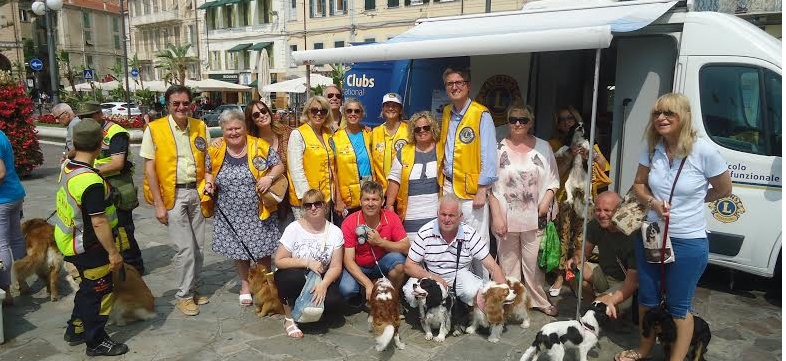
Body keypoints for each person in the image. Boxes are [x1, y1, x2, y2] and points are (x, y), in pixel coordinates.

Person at [616, 93, 732, 361]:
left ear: (684, 117)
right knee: (647, 299)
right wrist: (653, 203)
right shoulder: (652, 147)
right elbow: (639, 184)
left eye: (669, 113)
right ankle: (644, 350)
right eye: (657, 113)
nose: (661, 118)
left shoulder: (703, 150)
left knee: (679, 307)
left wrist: (695, 200)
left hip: (688, 241)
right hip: (653, 236)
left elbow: (724, 188)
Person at [56, 119, 128, 356]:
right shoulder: (91, 181)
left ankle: (76, 328)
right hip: (90, 246)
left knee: (87, 289)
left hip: (70, 240)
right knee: (99, 292)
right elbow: (98, 221)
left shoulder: (68, 166)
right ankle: (96, 340)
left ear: (75, 143)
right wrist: (113, 252)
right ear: (100, 146)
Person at [141, 85, 211, 316]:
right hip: (173, 194)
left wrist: (209, 183)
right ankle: (184, 296)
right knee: (184, 249)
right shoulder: (154, 129)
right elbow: (150, 169)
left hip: (197, 192)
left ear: (191, 104)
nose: (181, 107)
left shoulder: (199, 126)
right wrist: (159, 204)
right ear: (168, 105)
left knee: (199, 247)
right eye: (176, 103)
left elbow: (209, 159)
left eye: (185, 103)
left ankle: (192, 287)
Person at [203, 109, 285, 306]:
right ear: (222, 130)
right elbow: (207, 171)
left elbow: (279, 165)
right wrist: (208, 183)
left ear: (244, 127)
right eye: (228, 129)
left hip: (258, 209)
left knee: (263, 251)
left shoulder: (259, 145)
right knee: (239, 252)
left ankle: (265, 284)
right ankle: (245, 286)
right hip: (230, 209)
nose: (233, 132)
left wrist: (269, 177)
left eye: (237, 128)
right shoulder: (215, 149)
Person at [488, 105, 559, 316]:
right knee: (508, 263)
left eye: (523, 119)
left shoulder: (544, 147)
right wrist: (497, 216)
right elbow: (490, 186)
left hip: (534, 216)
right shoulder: (497, 148)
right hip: (506, 217)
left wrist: (546, 202)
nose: (517, 123)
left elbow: (553, 180)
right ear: (507, 121)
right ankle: (510, 300)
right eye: (513, 119)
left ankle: (538, 299)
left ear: (530, 122)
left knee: (533, 264)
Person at [438, 67, 498, 280]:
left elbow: (490, 155)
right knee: (451, 239)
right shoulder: (446, 112)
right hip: (449, 186)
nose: (454, 87)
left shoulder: (481, 114)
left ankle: (484, 291)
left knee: (478, 242)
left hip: (472, 191)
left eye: (459, 82)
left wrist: (483, 188)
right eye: (450, 84)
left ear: (468, 85)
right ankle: (459, 288)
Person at [548, 105, 611, 296]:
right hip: (564, 198)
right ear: (558, 124)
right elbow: (553, 175)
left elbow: (605, 169)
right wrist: (569, 156)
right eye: (562, 119)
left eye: (570, 119)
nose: (566, 122)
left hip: (585, 199)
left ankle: (575, 277)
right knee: (563, 238)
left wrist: (592, 156)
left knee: (582, 240)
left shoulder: (589, 143)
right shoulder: (554, 145)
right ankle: (560, 276)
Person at [76, 101, 144, 275]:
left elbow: (117, 163)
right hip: (98, 187)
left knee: (123, 231)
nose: (85, 121)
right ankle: (118, 266)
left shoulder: (115, 133)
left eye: (88, 117)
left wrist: (87, 170)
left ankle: (134, 268)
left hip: (118, 189)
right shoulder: (87, 132)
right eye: (82, 118)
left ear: (99, 114)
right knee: (108, 230)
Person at [404, 194, 507, 307]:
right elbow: (409, 266)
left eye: (451, 215)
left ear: (460, 216)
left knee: (474, 291)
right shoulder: (425, 232)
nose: (447, 219)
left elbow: (493, 267)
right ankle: (426, 312)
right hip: (431, 275)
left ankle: (466, 310)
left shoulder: (470, 233)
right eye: (443, 214)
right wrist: (432, 277)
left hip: (460, 275)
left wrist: (505, 294)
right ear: (437, 214)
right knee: (410, 292)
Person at [273, 189, 344, 338]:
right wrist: (307, 262)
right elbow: (279, 260)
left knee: (334, 301)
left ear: (325, 206)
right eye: (308, 205)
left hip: (320, 276)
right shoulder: (293, 228)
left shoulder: (335, 232)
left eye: (317, 204)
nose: (313, 208)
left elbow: (336, 266)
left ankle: (311, 313)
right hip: (296, 272)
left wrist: (324, 285)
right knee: (290, 279)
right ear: (303, 208)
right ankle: (289, 318)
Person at [565, 191, 637, 319]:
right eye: (598, 210)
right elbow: (584, 253)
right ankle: (596, 310)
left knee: (606, 302)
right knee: (577, 271)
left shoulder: (632, 234)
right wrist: (575, 259)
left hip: (625, 282)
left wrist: (606, 298)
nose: (602, 214)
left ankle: (602, 310)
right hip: (604, 274)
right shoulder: (595, 225)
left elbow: (632, 282)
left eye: (607, 210)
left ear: (619, 210)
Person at [339, 181, 409, 303]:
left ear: (382, 202)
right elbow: (348, 260)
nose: (370, 204)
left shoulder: (391, 217)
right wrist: (367, 284)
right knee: (347, 289)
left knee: (399, 264)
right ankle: (368, 287)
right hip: (359, 265)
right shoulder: (349, 222)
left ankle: (393, 298)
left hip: (381, 263)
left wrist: (381, 242)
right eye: (366, 199)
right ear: (360, 202)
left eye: (375, 199)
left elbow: (406, 247)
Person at [385, 111, 443, 240]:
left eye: (426, 127)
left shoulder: (442, 149)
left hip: (438, 216)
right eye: (417, 129)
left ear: (433, 128)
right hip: (410, 217)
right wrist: (389, 206)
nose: (422, 131)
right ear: (413, 132)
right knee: (413, 254)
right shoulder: (404, 152)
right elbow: (394, 179)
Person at [287, 96, 335, 220]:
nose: (318, 114)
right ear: (308, 112)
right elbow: (295, 170)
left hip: (326, 197)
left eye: (323, 111)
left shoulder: (328, 133)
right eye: (314, 110)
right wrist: (309, 200)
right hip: (306, 200)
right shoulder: (298, 134)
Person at [330, 98, 372, 225]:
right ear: (344, 113)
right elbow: (333, 171)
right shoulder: (335, 138)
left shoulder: (369, 134)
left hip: (367, 197)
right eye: (349, 111)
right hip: (345, 200)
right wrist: (338, 199)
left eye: (356, 111)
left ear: (361, 114)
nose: (353, 114)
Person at [0, 128, 26, 306]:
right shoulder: (1, 134)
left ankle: (5, 290)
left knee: (1, 244)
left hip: (2, 199)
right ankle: (22, 280)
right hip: (15, 194)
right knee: (16, 239)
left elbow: (0, 172)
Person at [370, 93, 408, 192]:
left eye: (395, 105)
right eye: (387, 105)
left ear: (400, 110)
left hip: (402, 190)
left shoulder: (409, 131)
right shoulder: (374, 132)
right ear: (382, 109)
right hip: (380, 191)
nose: (391, 108)